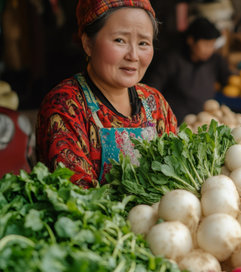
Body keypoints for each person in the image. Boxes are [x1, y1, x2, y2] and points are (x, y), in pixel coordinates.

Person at [35, 0, 177, 189]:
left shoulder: (155, 103)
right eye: (120, 40)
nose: (133, 55)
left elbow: (176, 175)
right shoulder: (66, 105)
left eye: (143, 43)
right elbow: (76, 197)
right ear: (88, 43)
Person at [144, 16, 231, 121]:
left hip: (205, 121)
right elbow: (151, 89)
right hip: (175, 122)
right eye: (206, 44)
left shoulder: (215, 60)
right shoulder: (172, 60)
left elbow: (229, 81)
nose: (209, 49)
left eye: (212, 45)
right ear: (191, 40)